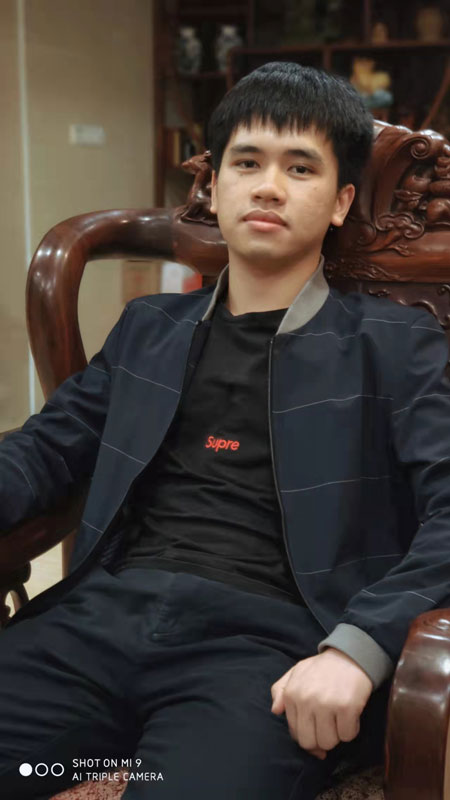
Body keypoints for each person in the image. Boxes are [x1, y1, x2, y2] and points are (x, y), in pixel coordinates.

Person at [0, 61, 449, 799]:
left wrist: (358, 648)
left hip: (271, 650)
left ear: (341, 202)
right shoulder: (150, 326)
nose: (268, 186)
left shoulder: (395, 344)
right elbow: (49, 448)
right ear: (214, 187)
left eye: (299, 167)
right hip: (101, 617)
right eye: (247, 162)